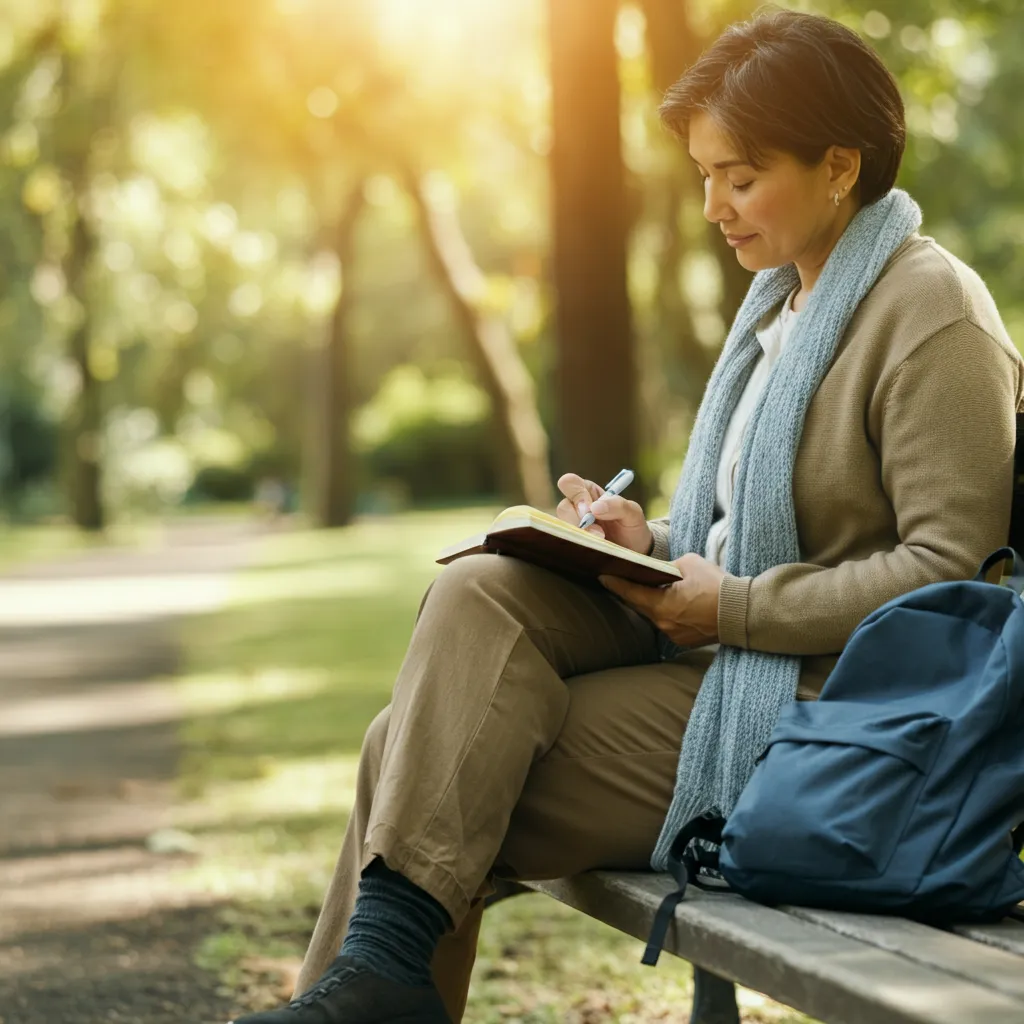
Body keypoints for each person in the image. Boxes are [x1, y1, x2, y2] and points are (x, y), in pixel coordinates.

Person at [232, 10, 1024, 1024]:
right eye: (703, 176)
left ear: (839, 165)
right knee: (482, 587)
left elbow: (951, 572)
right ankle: (375, 990)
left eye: (741, 177)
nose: (713, 206)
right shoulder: (779, 310)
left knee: (413, 756)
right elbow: (752, 529)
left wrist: (732, 607)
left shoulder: (931, 312)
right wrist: (647, 547)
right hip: (716, 654)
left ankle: (369, 993)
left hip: (829, 715)